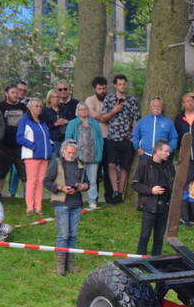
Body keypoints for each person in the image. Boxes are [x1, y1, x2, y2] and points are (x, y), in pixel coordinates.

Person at [45, 140, 89, 275]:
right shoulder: (56, 163)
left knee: (73, 236)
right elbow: (46, 181)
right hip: (61, 203)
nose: (71, 155)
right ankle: (60, 267)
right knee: (63, 235)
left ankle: (70, 265)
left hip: (76, 203)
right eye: (69, 152)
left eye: (74, 153)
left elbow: (87, 183)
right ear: (63, 151)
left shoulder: (81, 164)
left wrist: (82, 186)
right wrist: (60, 188)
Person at [100, 75, 139, 203]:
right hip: (112, 137)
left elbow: (135, 120)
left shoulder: (132, 100)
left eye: (124, 84)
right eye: (120, 84)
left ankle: (120, 193)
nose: (122, 86)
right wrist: (114, 110)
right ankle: (115, 190)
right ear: (115, 86)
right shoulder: (109, 99)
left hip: (126, 138)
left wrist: (133, 136)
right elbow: (103, 118)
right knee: (111, 165)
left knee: (124, 167)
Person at [132, 140, 174, 256]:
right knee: (144, 236)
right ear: (158, 151)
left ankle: (156, 262)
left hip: (164, 206)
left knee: (159, 238)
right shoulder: (144, 164)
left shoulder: (169, 166)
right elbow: (135, 184)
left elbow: (173, 184)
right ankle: (140, 261)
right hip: (149, 206)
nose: (168, 154)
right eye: (166, 151)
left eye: (169, 151)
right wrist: (151, 190)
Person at [16, 98, 54, 216]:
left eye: (40, 106)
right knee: (31, 181)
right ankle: (30, 208)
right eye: (36, 106)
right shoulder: (24, 120)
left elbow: (47, 137)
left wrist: (51, 147)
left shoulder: (42, 121)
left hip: (44, 156)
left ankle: (38, 207)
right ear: (30, 107)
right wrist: (33, 146)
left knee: (40, 182)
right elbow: (19, 138)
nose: (39, 108)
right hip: (31, 155)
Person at [65, 103, 104, 210]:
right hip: (78, 157)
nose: (83, 111)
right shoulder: (72, 123)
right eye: (81, 109)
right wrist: (70, 154)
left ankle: (92, 201)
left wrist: (100, 152)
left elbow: (100, 139)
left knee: (92, 180)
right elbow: (68, 139)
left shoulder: (94, 123)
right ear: (77, 111)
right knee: (76, 180)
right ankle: (76, 201)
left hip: (93, 156)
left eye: (85, 109)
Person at [0, 84, 28, 197]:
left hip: (20, 145)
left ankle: (27, 195)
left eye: (16, 92)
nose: (16, 95)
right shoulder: (0, 107)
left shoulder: (23, 107)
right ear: (6, 94)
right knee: (0, 173)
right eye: (13, 93)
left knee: (24, 173)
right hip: (4, 145)